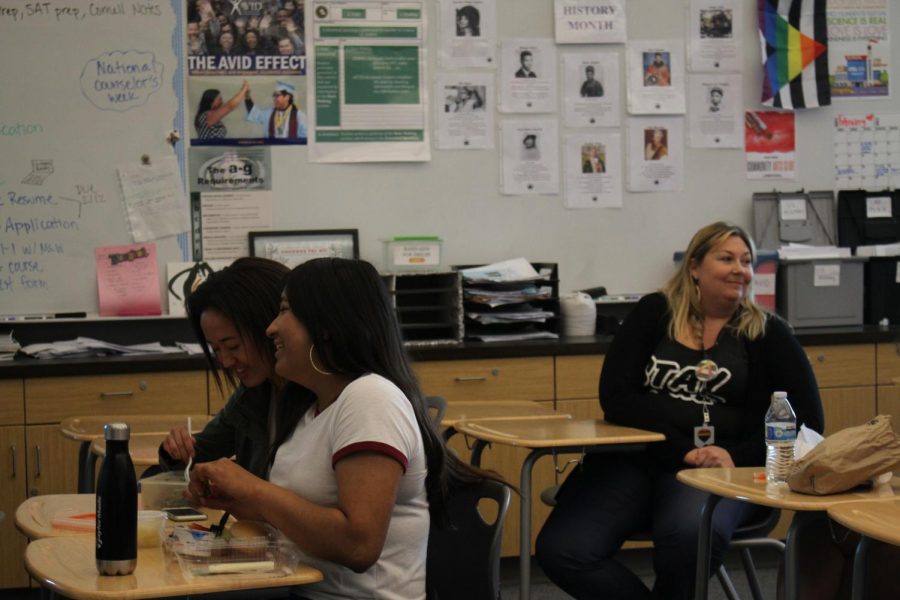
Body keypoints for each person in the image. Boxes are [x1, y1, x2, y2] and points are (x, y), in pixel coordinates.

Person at [535, 222, 824, 600]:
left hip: (720, 470)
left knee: (690, 538)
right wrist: (679, 448)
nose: (740, 269)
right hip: (636, 459)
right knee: (564, 549)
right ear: (694, 266)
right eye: (726, 258)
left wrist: (734, 454)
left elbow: (808, 422)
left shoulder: (768, 333)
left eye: (747, 260)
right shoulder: (654, 312)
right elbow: (617, 396)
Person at [186, 258, 503, 599]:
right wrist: (236, 500)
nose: (271, 327)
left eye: (285, 310)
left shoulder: (370, 398)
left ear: (326, 324)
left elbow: (359, 547)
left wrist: (253, 490)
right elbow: (301, 518)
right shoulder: (310, 408)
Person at [159, 257, 306, 478]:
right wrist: (176, 451)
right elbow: (201, 451)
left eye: (233, 346)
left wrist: (250, 493)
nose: (226, 362)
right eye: (216, 350)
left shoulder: (323, 397)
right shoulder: (252, 397)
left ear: (270, 327)